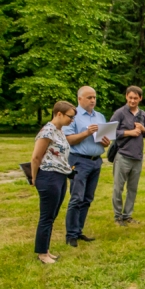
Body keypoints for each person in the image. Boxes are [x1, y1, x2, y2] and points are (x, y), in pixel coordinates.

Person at [63, 86, 109, 247]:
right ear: (79, 99)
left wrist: (106, 141)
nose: (93, 100)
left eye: (94, 97)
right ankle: (71, 235)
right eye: (89, 97)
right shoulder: (72, 117)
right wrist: (86, 133)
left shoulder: (100, 116)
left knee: (88, 198)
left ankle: (79, 230)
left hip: (96, 160)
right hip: (79, 160)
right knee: (77, 197)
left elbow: (105, 138)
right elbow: (67, 139)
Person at [31, 101, 77, 264]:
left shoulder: (59, 131)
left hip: (59, 176)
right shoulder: (47, 131)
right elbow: (36, 157)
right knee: (46, 216)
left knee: (52, 215)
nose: (72, 120)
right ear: (59, 114)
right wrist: (35, 178)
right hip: (48, 176)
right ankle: (42, 253)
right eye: (70, 117)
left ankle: (46, 249)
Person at [110, 86, 145, 226]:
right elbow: (109, 132)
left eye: (135, 98)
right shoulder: (119, 113)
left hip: (137, 157)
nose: (132, 101)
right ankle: (117, 216)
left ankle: (127, 215)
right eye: (130, 97)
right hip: (123, 155)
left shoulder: (143, 114)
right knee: (118, 188)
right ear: (126, 97)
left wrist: (143, 129)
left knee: (132, 189)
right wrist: (129, 132)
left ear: (140, 98)